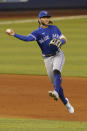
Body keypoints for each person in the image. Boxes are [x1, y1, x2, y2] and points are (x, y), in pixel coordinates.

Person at [6, 10, 74, 114]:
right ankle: (66, 102)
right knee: (56, 83)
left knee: (57, 71)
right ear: (39, 19)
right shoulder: (37, 32)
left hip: (58, 55)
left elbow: (64, 38)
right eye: (44, 17)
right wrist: (14, 34)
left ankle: (55, 92)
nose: (47, 19)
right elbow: (27, 39)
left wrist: (61, 41)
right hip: (47, 59)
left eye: (48, 17)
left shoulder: (54, 28)